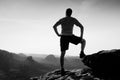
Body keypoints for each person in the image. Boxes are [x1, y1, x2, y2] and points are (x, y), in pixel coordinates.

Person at [53, 8, 86, 75]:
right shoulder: (73, 19)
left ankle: (62, 69)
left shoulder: (62, 19)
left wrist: (58, 34)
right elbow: (82, 27)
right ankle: (82, 52)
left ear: (66, 13)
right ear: (71, 13)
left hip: (63, 37)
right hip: (70, 36)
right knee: (83, 41)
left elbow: (54, 26)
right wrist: (81, 36)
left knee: (62, 53)